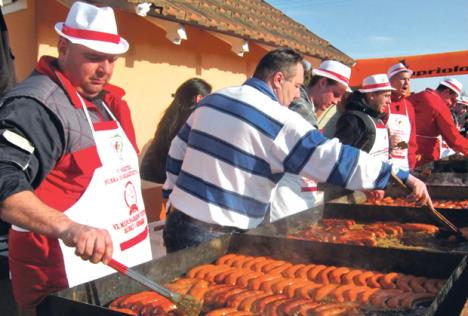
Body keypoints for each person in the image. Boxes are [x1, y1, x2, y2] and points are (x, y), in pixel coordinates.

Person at [162, 48, 431, 252]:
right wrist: (399, 175)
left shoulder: (213, 100)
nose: (296, 95)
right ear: (278, 79)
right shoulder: (278, 119)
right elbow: (331, 157)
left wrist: (169, 195)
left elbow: (176, 152)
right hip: (217, 236)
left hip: (178, 224)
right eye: (297, 86)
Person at [0, 2, 152, 312]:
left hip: (120, 275)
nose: (104, 69)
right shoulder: (37, 106)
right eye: (93, 57)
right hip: (63, 282)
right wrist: (71, 228)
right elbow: (4, 182)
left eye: (111, 59)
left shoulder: (107, 101)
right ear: (63, 47)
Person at [270, 60, 352, 222]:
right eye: (336, 94)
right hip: (286, 196)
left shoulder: (308, 109)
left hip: (299, 192)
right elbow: (318, 155)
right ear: (322, 82)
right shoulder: (301, 108)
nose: (337, 101)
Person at [140, 78, 212, 184]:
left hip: (149, 178)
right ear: (199, 98)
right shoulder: (193, 120)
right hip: (168, 183)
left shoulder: (170, 116)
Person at [334, 74, 395, 162]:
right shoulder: (353, 119)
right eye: (386, 96)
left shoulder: (376, 118)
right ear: (372, 96)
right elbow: (341, 157)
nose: (389, 101)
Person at [408, 78, 468, 166]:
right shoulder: (439, 105)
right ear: (447, 91)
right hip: (424, 159)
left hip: (402, 152)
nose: (452, 104)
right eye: (452, 99)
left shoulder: (412, 97)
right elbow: (455, 140)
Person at [385, 62, 417, 170]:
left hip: (403, 165)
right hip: (383, 163)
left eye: (408, 80)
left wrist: (411, 164)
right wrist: (387, 141)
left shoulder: (408, 106)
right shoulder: (383, 103)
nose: (407, 84)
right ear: (391, 81)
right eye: (403, 79)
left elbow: (410, 142)